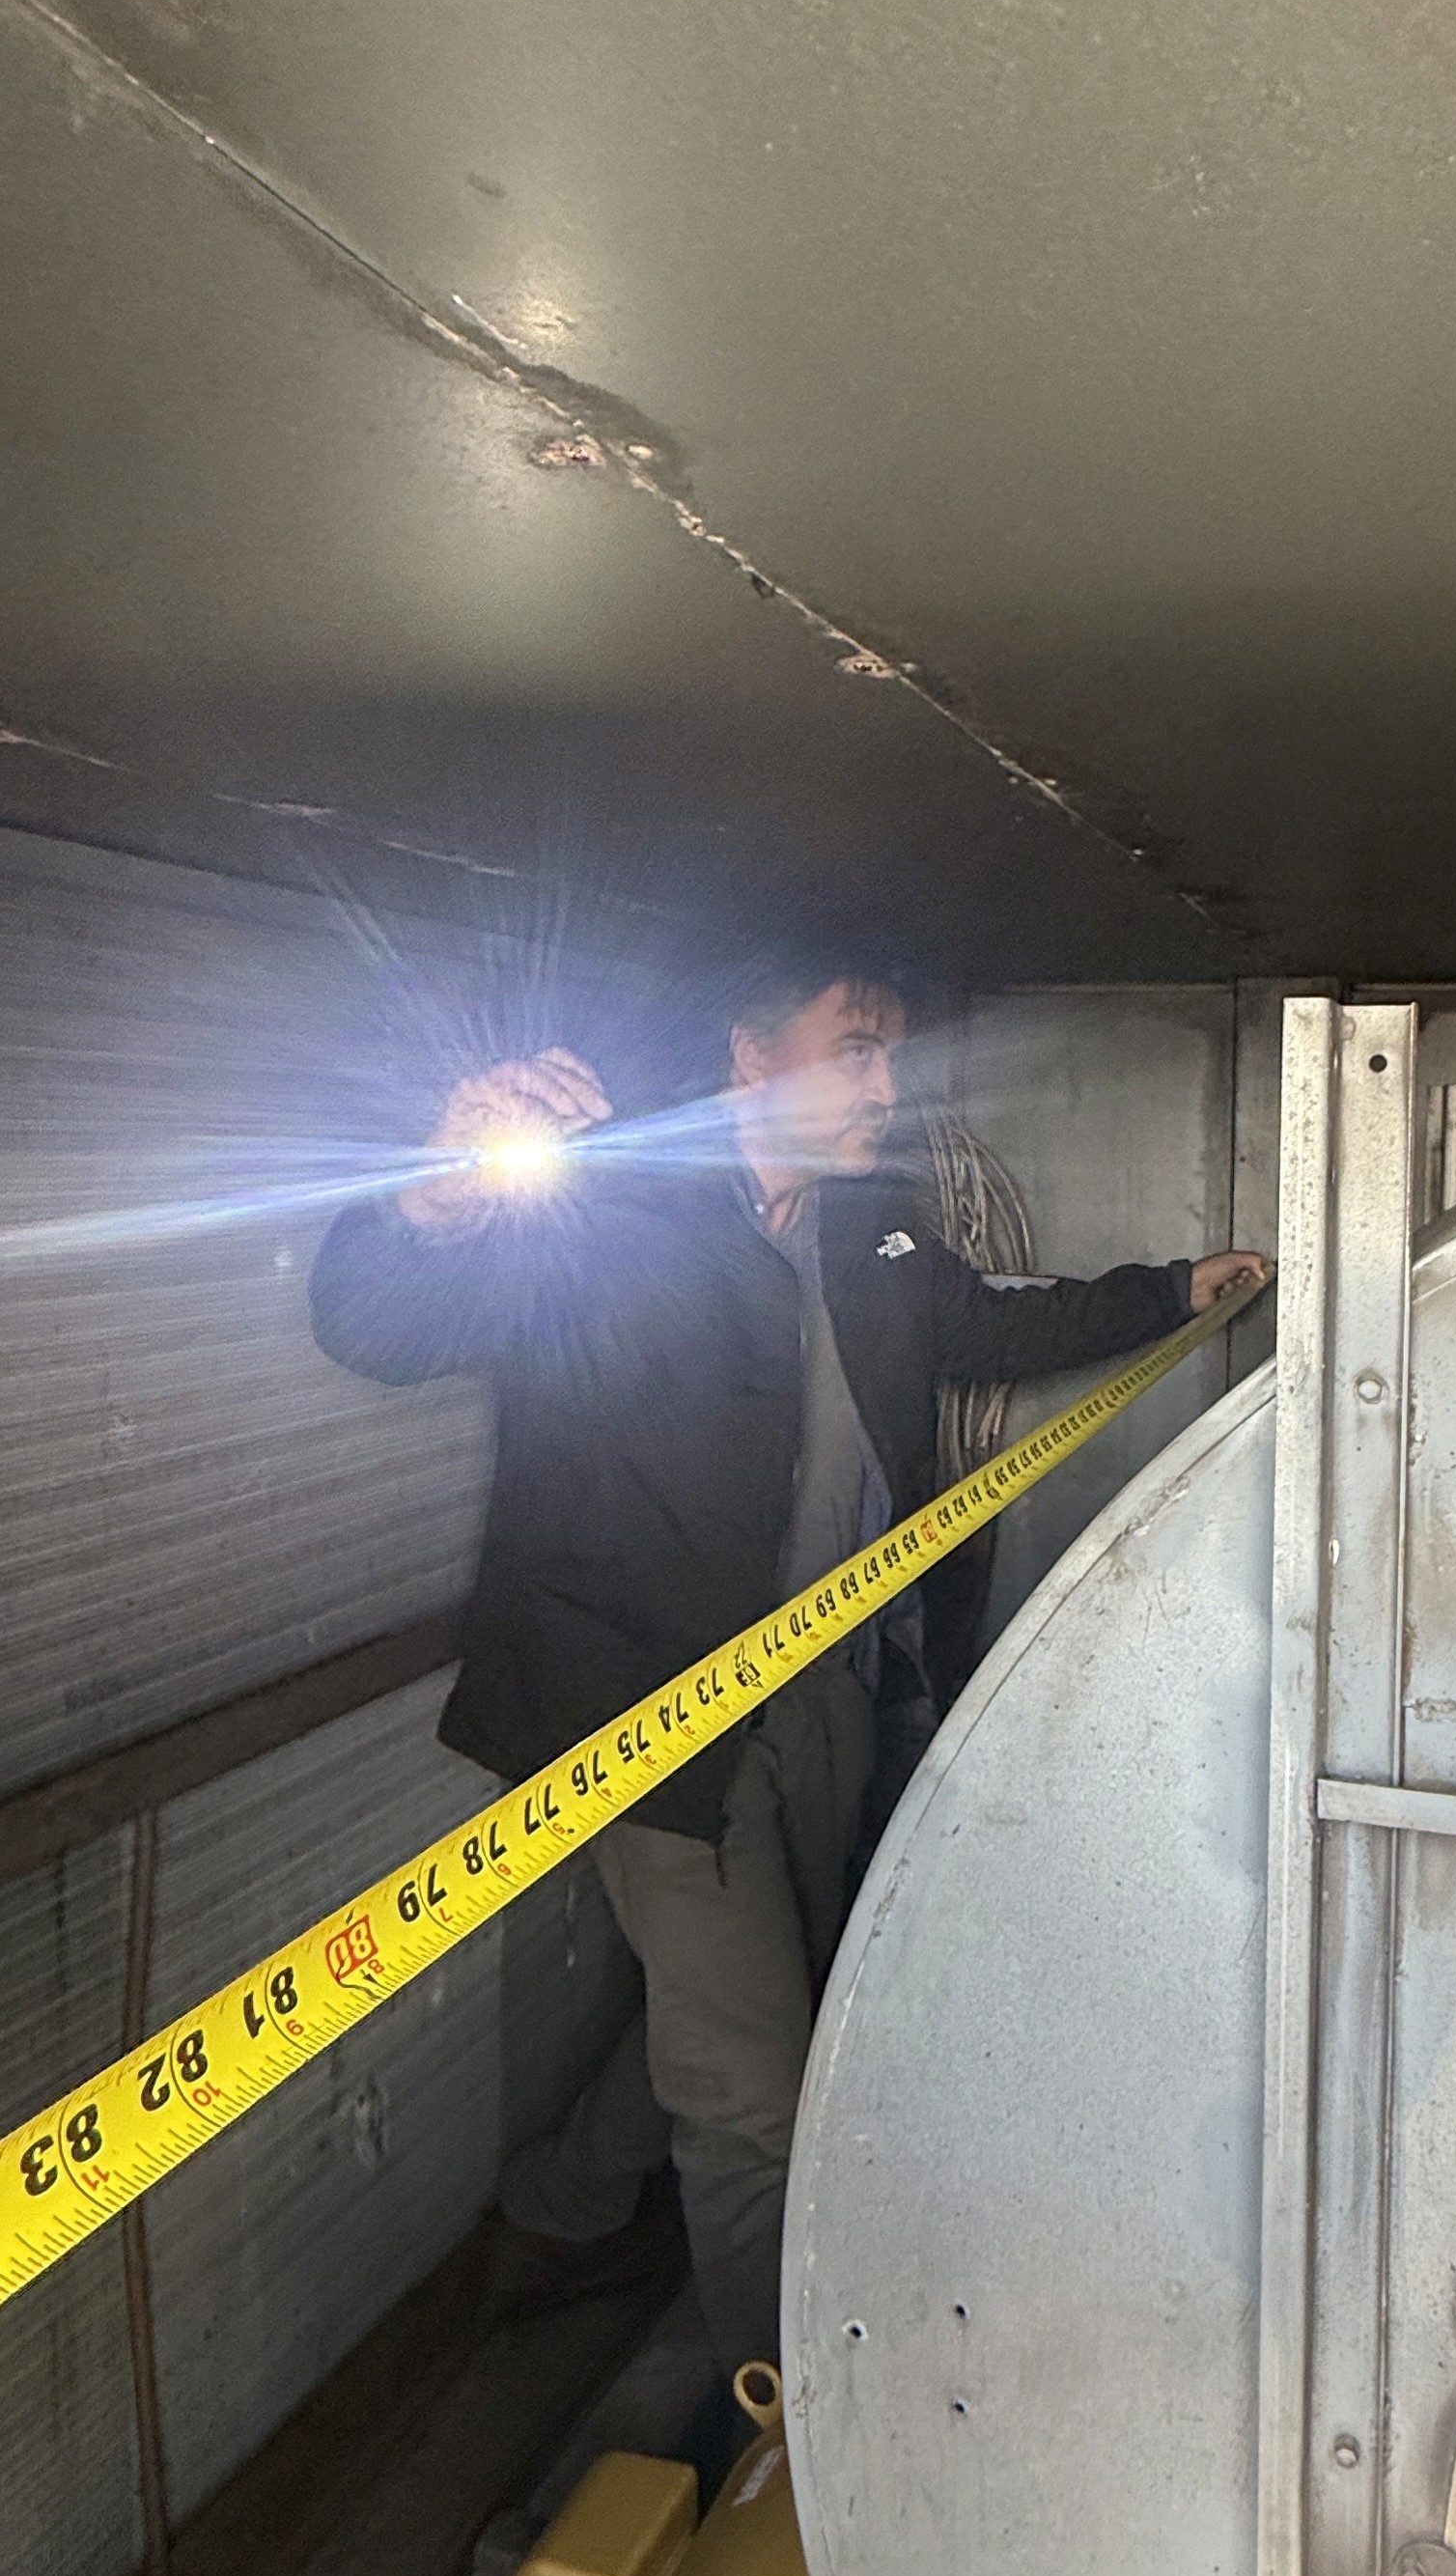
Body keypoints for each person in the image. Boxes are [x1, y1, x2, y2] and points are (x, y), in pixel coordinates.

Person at [309, 942, 1270, 2376]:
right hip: (643, 1720)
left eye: (893, 1053)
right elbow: (378, 1324)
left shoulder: (873, 1232)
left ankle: (562, 2209)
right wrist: (438, 1193)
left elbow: (996, 1324)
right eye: (858, 1048)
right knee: (753, 2098)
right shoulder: (611, 1222)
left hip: (822, 1689)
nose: (889, 1082)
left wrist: (1169, 1290)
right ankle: (796, 2442)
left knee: (753, 2011)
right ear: (755, 1060)